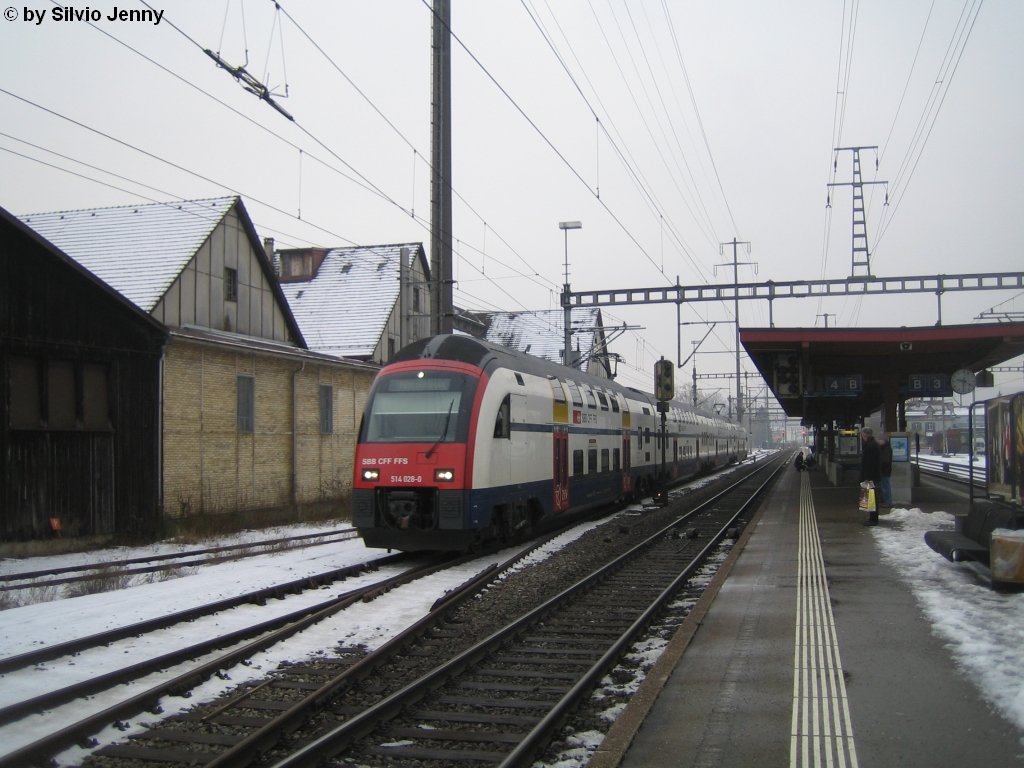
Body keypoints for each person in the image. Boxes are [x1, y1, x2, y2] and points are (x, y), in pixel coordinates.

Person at [859, 428, 881, 525]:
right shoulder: (873, 445)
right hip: (872, 476)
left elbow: (870, 464)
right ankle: (872, 518)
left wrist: (867, 478)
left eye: (862, 435)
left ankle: (873, 519)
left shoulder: (870, 446)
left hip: (870, 476)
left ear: (865, 435)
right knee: (869, 498)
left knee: (871, 498)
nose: (861, 437)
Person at [877, 433, 893, 508]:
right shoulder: (884, 447)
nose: (879, 441)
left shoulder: (886, 448)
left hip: (884, 470)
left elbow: (885, 460)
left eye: (880, 439)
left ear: (884, 440)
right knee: (884, 486)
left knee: (885, 487)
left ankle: (888, 502)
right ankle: (887, 501)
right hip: (884, 470)